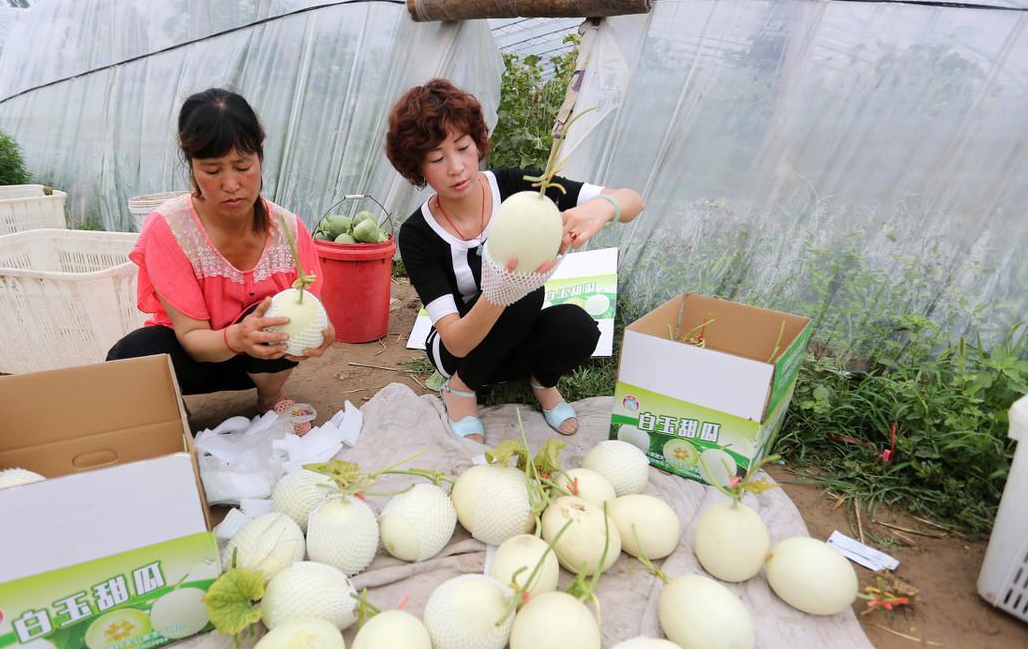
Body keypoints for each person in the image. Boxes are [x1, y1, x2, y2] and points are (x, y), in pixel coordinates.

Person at [384, 78, 643, 442]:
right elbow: (455, 341)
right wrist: (499, 290)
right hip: (460, 354)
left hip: (513, 341)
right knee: (526, 294)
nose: (456, 167)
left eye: (463, 147)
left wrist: (602, 209)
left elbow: (632, 200)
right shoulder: (418, 234)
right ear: (417, 167)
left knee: (578, 328)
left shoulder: (516, 186)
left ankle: (543, 383)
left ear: (477, 143)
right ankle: (460, 390)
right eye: (437, 158)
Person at [107, 88, 334, 426]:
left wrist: (319, 330)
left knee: (278, 313)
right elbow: (192, 336)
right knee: (130, 356)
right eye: (212, 170)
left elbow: (309, 309)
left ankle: (270, 397)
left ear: (260, 156)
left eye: (243, 166)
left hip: (263, 360)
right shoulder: (170, 229)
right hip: (197, 356)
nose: (231, 183)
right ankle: (171, 417)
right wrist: (236, 337)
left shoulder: (288, 230)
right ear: (192, 166)